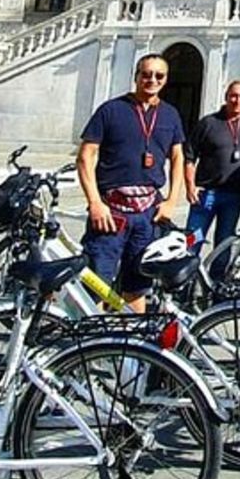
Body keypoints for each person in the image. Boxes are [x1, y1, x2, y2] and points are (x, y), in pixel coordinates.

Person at [76, 53, 184, 312]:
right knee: (96, 284)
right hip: (111, 211)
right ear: (136, 76)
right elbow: (85, 156)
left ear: (166, 79)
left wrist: (171, 201)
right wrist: (94, 203)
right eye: (146, 74)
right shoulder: (111, 110)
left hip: (148, 213)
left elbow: (178, 157)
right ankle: (91, 336)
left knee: (138, 285)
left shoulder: (170, 114)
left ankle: (131, 337)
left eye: (159, 75)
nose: (152, 80)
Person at [185, 80, 240, 274]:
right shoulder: (209, 123)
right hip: (206, 194)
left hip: (235, 195)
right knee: (193, 240)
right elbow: (189, 156)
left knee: (224, 245)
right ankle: (184, 285)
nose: (237, 100)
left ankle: (215, 286)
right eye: (233, 95)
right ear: (226, 97)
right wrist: (190, 186)